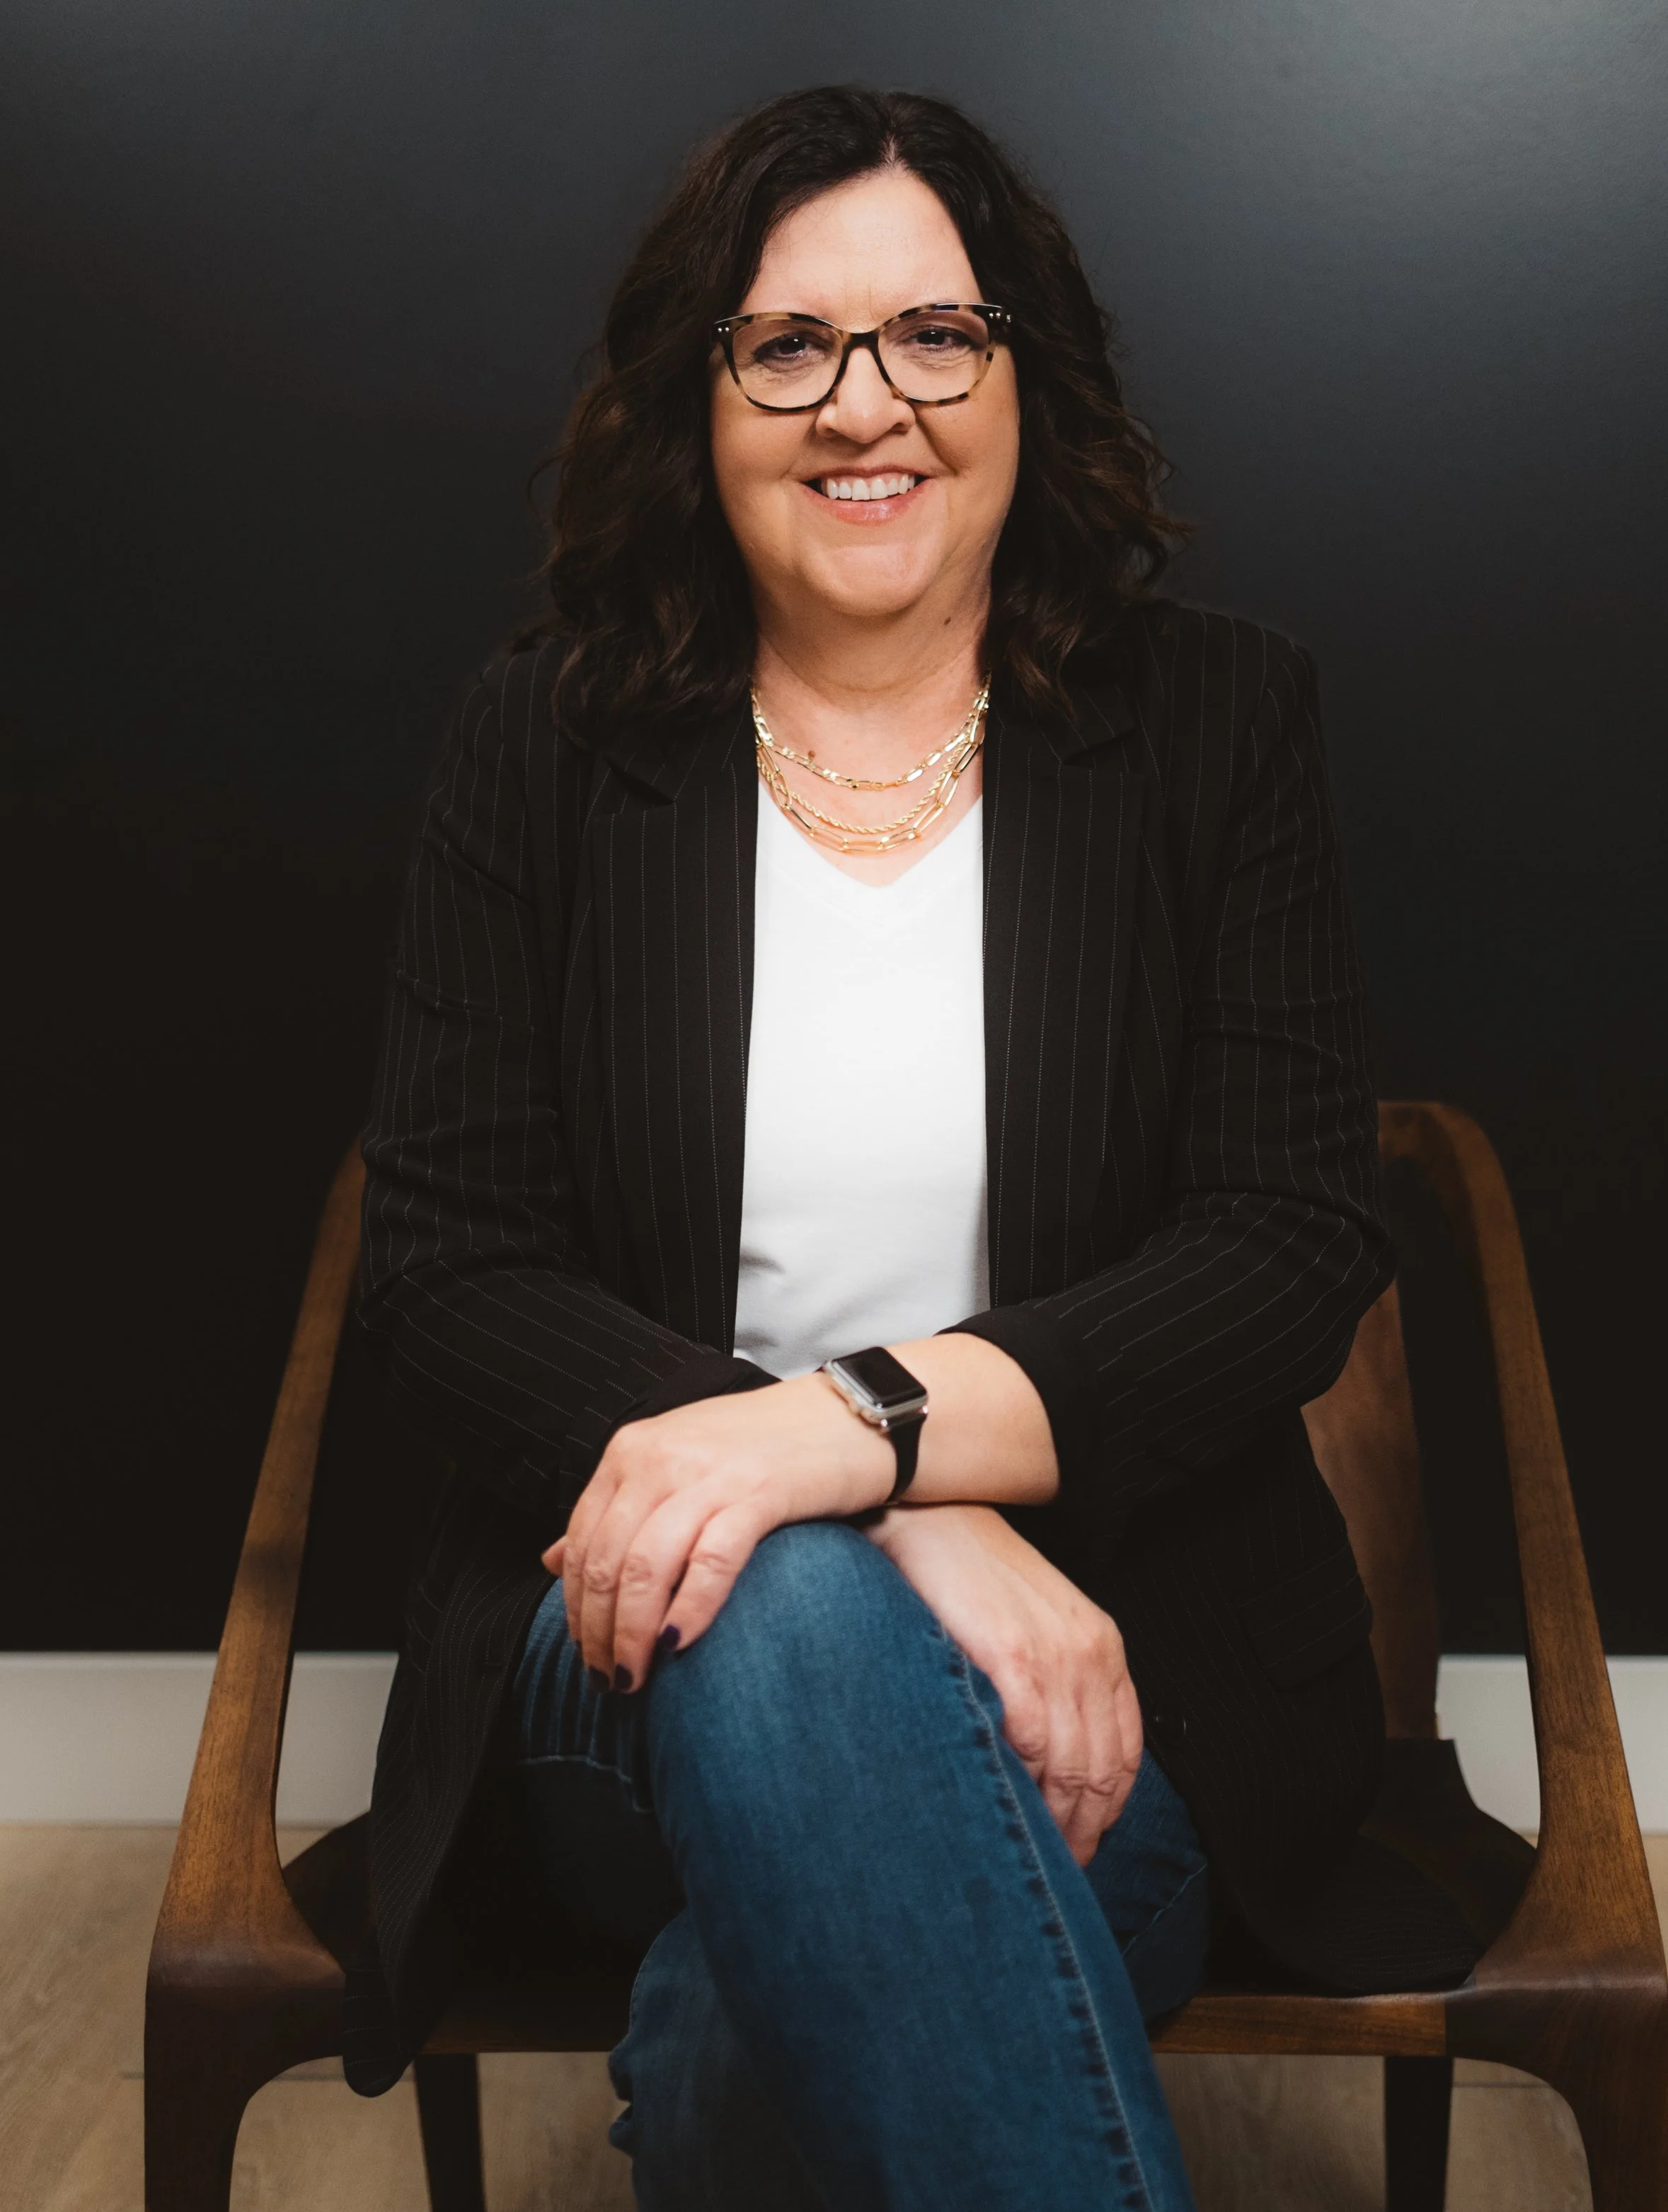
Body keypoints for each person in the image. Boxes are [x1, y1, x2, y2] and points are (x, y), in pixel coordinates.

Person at [355, 83, 1459, 2211]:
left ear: (1024, 371)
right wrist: (869, 1498)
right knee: (780, 1618)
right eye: (789, 347)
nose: (867, 406)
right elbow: (456, 1263)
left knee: (728, 2050)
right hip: (636, 1639)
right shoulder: (551, 738)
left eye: (932, 336)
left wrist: (842, 1437)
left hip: (1128, 1631)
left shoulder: (1218, 728)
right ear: (700, 400)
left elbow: (1282, 1232)